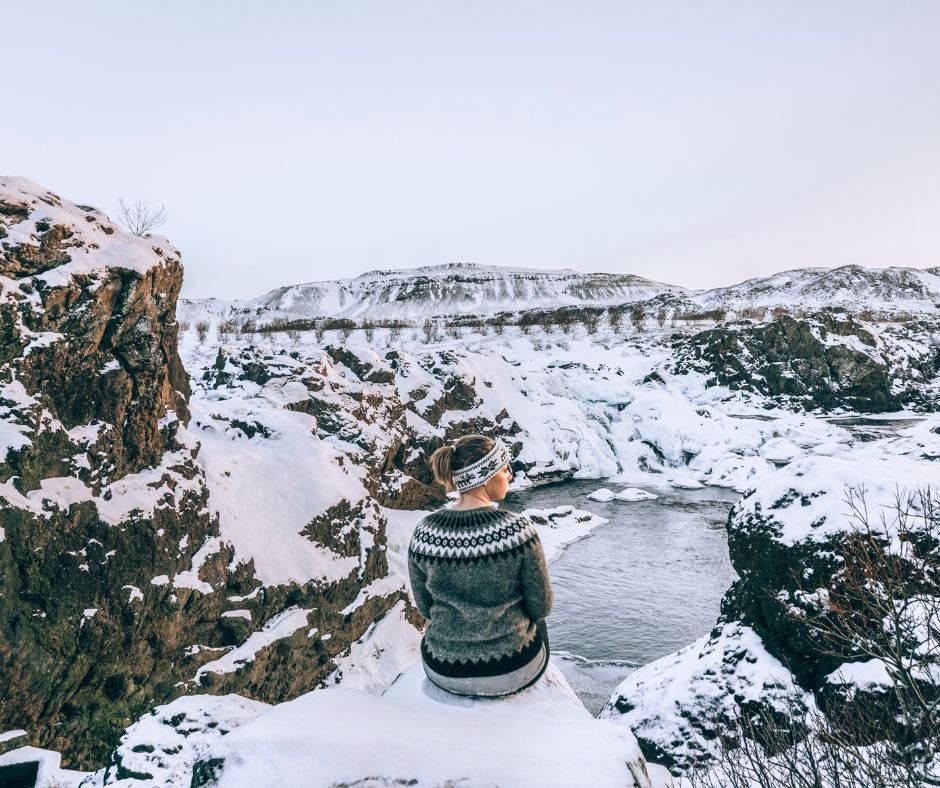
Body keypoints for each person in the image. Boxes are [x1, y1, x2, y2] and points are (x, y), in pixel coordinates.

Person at [408, 434, 554, 697]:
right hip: (514, 668)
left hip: (444, 669)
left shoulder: (425, 533)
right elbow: (541, 606)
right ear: (485, 476)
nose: (510, 475)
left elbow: (425, 607)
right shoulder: (518, 531)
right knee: (540, 626)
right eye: (504, 468)